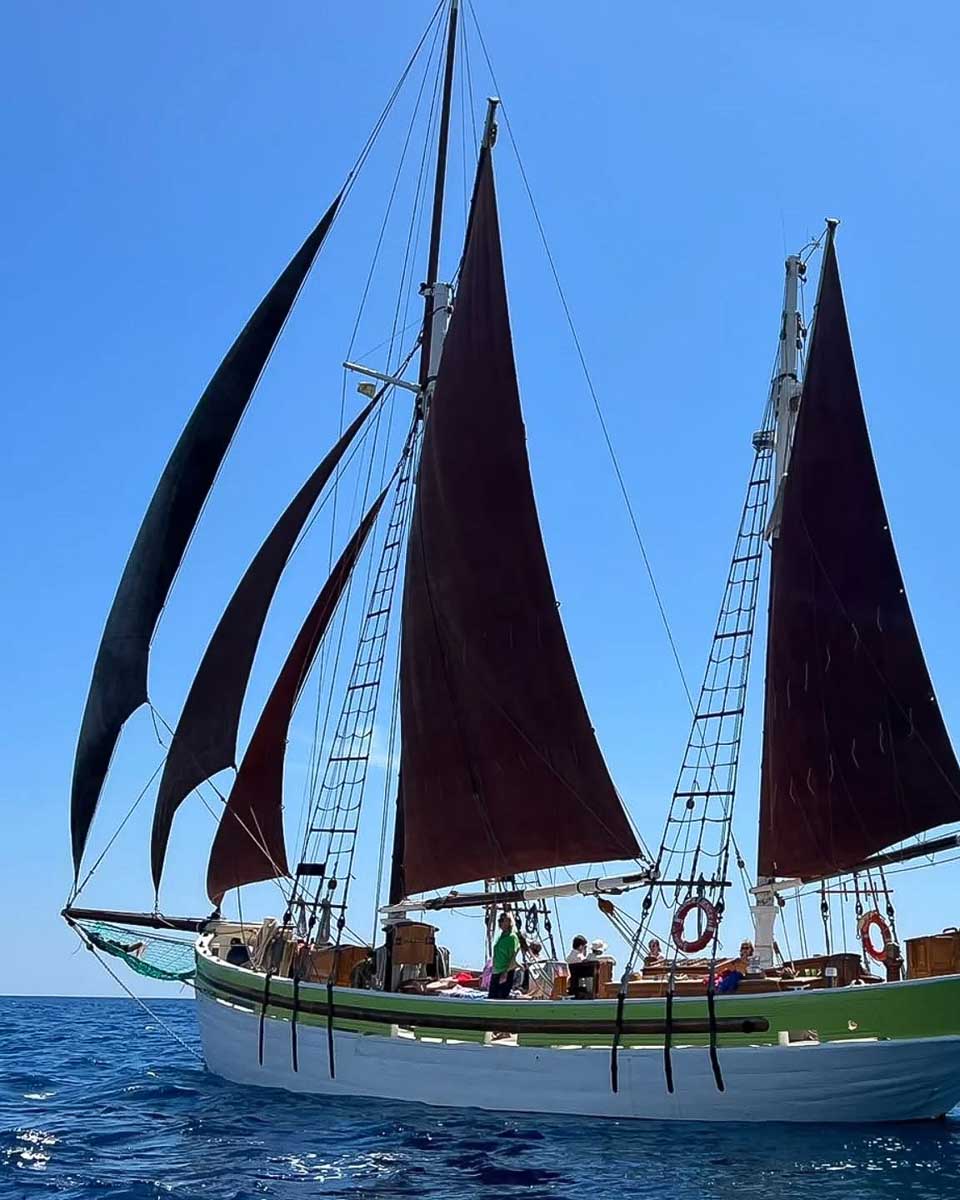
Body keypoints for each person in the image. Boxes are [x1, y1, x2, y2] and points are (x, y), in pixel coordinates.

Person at [488, 913, 521, 999]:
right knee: (491, 998)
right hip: (496, 972)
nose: (500, 922)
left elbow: (513, 957)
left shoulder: (511, 937)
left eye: (502, 920)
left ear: (509, 922)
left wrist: (505, 973)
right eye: (499, 920)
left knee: (499, 998)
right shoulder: (501, 936)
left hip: (504, 973)